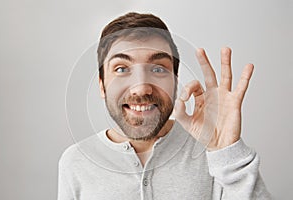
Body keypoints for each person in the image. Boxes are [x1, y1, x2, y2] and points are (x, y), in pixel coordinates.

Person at [58, 12, 271, 199]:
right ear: (102, 85)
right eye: (122, 69)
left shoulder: (210, 151)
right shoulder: (75, 162)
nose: (141, 89)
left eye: (158, 68)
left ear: (175, 81)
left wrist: (227, 152)